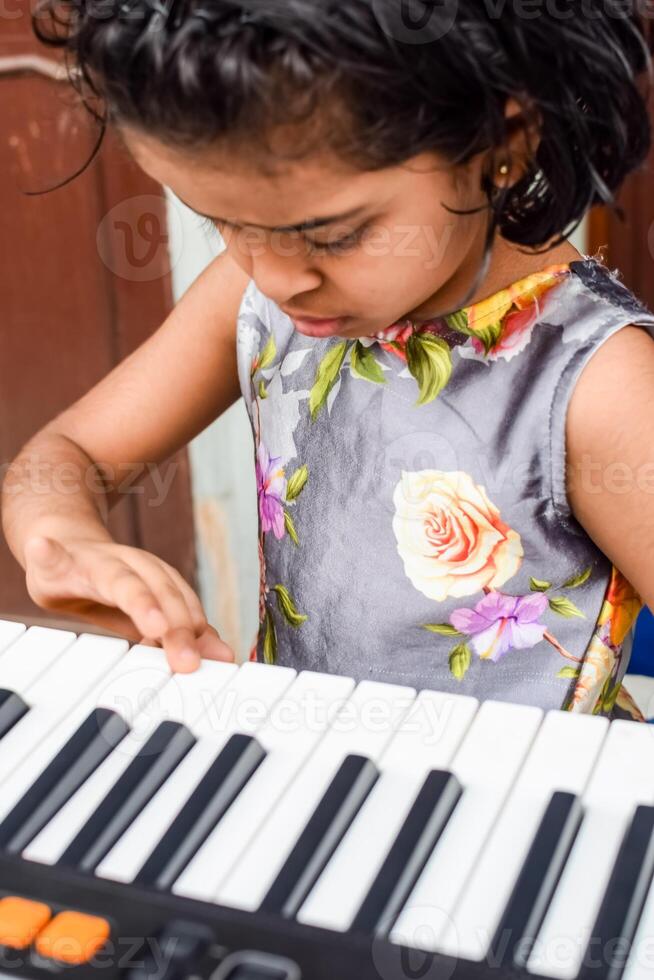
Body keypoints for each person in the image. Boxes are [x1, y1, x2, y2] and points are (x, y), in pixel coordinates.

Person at [4, 0, 654, 719]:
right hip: (314, 779)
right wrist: (58, 536)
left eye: (334, 235)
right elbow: (67, 456)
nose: (280, 278)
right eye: (222, 221)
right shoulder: (250, 293)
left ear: (506, 141)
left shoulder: (597, 386)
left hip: (515, 809)